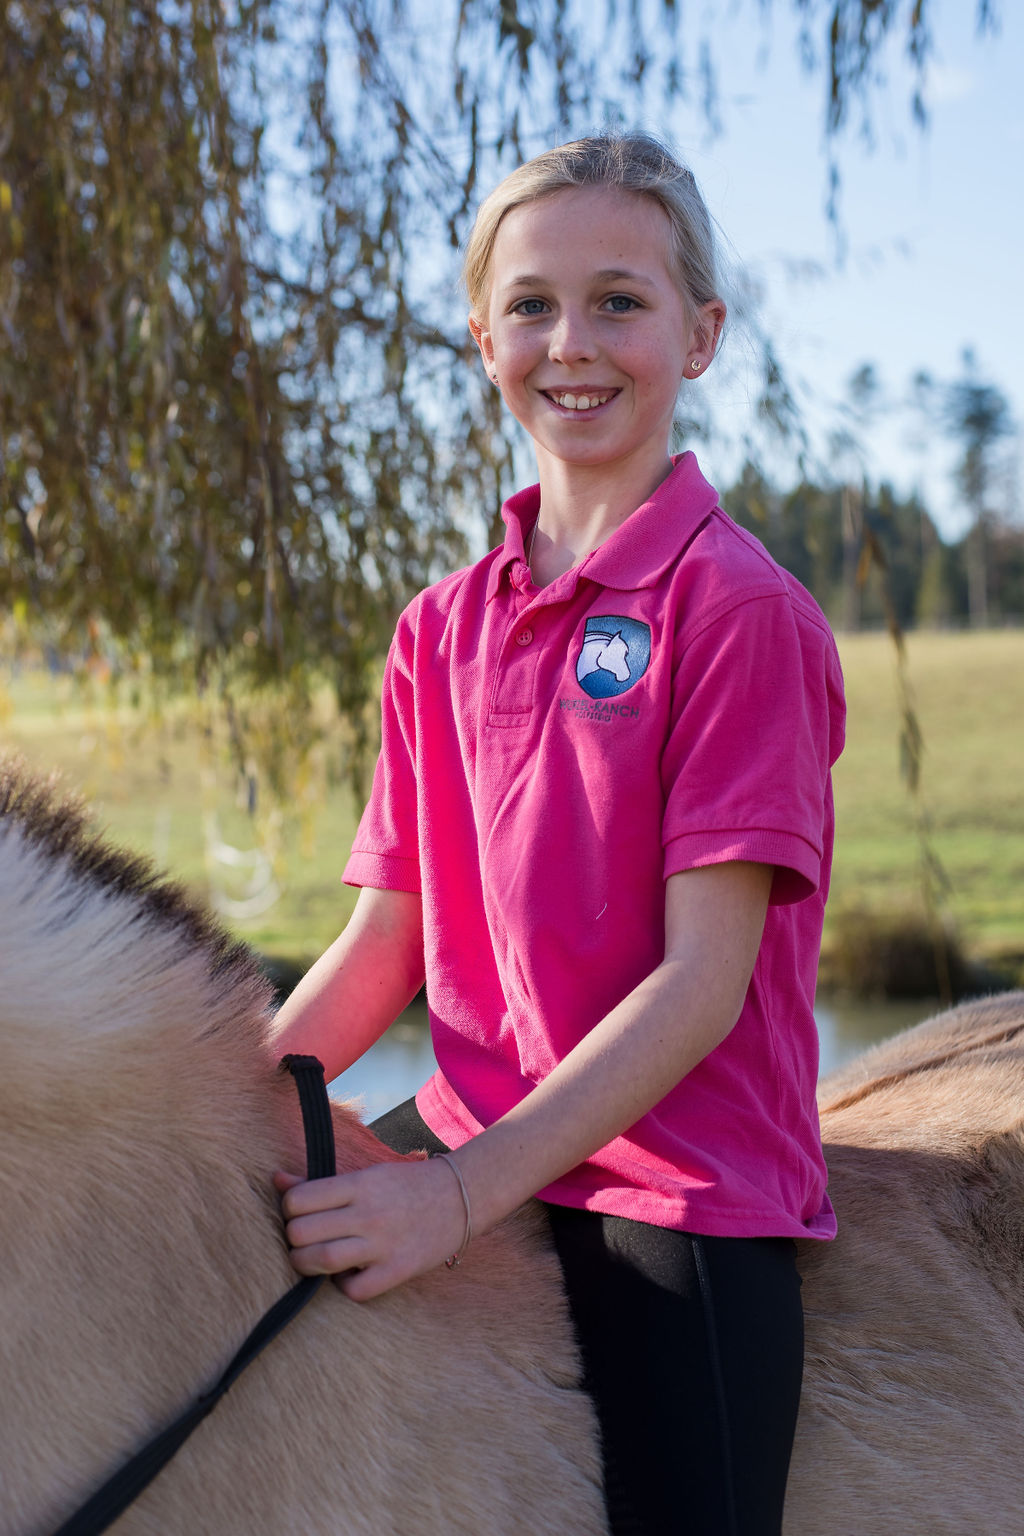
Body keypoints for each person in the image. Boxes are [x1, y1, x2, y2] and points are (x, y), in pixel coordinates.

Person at [270, 131, 845, 1536]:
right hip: (461, 1121)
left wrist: (457, 1200)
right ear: (483, 341)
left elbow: (702, 986)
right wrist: (226, 1111)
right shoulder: (438, 629)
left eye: (620, 301)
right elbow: (388, 938)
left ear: (700, 335)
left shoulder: (739, 610)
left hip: (676, 1185)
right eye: (531, 303)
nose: (571, 341)